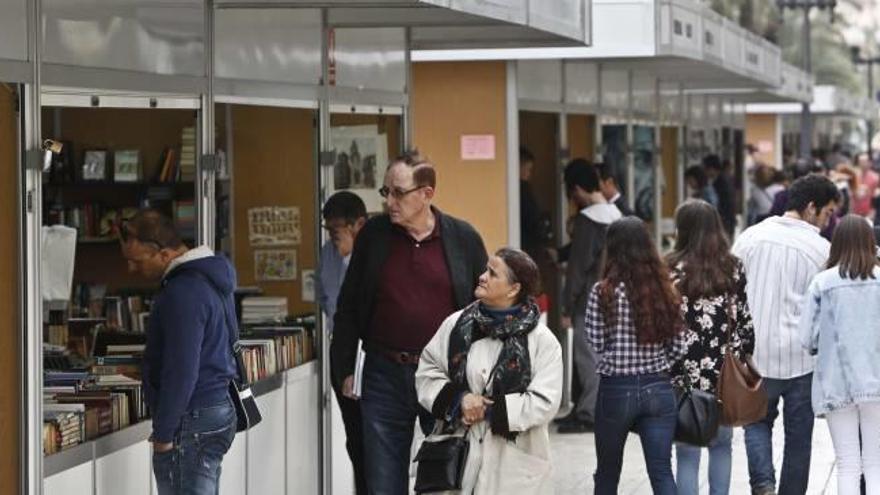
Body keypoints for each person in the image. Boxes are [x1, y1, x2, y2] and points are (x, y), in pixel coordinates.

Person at [330, 151, 488, 494]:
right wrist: (344, 368)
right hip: (384, 374)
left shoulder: (462, 238)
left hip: (442, 375)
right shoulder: (374, 236)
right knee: (382, 480)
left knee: (445, 478)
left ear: (426, 193)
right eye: (386, 192)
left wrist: (478, 377)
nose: (390, 202)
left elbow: (483, 309)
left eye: (399, 192)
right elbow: (349, 307)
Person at [416, 248, 563, 493]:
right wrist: (459, 400)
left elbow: (544, 401)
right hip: (456, 462)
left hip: (514, 465)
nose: (482, 276)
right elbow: (426, 372)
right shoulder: (455, 325)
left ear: (513, 289)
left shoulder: (542, 341)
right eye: (486, 269)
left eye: (493, 274)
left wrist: (487, 410)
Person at [732, 174, 841, 495]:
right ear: (811, 208)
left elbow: (731, 290)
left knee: (755, 423)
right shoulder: (821, 249)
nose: (828, 220)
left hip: (756, 355)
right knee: (798, 438)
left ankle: (763, 483)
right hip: (801, 360)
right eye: (827, 213)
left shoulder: (750, 237)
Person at [120, 209, 237, 495]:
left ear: (163, 254)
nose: (132, 270)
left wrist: (163, 433)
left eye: (137, 261)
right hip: (216, 406)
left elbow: (182, 369)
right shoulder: (210, 279)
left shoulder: (182, 292)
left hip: (192, 416)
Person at [586, 216, 689, 495]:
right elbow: (679, 346)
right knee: (661, 471)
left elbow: (595, 342)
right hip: (658, 388)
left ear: (613, 248)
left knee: (607, 472)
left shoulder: (602, 292)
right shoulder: (664, 291)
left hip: (615, 389)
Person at [667, 200, 756, 495]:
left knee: (687, 451)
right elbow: (743, 320)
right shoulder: (732, 267)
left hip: (682, 373)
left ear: (683, 229)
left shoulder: (671, 267)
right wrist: (745, 354)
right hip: (723, 374)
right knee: (722, 447)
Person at [799, 215, 880, 495]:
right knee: (875, 463)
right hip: (877, 381)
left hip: (835, 382)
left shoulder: (822, 283)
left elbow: (806, 337)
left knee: (847, 463)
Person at [559, 159, 622, 434]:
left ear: (576, 189)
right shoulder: (616, 215)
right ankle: (594, 407)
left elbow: (577, 269)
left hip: (589, 299)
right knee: (603, 356)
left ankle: (588, 412)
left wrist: (566, 306)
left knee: (588, 359)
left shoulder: (588, 221)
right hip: (615, 298)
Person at [316, 191, 368, 494]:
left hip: (371, 352)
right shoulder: (328, 255)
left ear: (358, 224)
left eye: (336, 230)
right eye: (329, 230)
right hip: (342, 351)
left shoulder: (374, 255)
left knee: (372, 434)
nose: (332, 237)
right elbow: (325, 298)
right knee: (354, 434)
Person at [519, 147, 552, 259]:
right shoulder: (523, 190)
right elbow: (531, 217)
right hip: (528, 244)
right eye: (528, 170)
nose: (529, 175)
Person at [704, 155, 737, 238]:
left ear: (711, 168)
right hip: (727, 220)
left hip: (724, 221)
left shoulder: (720, 183)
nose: (705, 172)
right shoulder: (724, 179)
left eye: (706, 169)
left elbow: (726, 203)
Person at [852, 153, 878, 218]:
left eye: (864, 161)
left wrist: (872, 213)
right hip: (855, 212)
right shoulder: (854, 176)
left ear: (870, 163)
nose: (861, 164)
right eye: (860, 161)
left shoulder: (875, 178)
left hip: (869, 213)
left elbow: (876, 197)